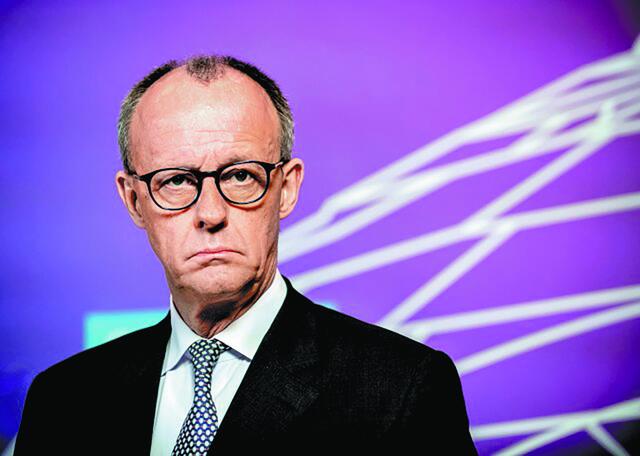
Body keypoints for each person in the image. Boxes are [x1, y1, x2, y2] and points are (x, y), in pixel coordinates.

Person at [14, 55, 477, 455]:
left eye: (240, 176)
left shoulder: (401, 388)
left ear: (286, 188)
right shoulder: (63, 400)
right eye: (176, 181)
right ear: (134, 200)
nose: (210, 213)